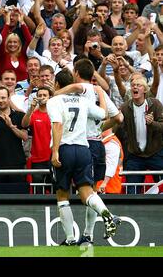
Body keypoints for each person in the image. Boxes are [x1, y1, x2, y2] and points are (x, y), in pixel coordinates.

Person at [47, 82, 121, 246]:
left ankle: (70, 239)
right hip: (83, 149)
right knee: (87, 193)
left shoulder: (54, 101)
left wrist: (55, 151)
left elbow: (57, 124)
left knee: (62, 195)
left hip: (65, 148)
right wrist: (101, 94)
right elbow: (103, 114)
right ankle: (107, 214)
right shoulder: (83, 101)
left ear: (58, 84)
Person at [0, 86, 28, 194]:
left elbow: (25, 137)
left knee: (19, 200)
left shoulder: (20, 116)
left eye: (3, 98)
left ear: (9, 98)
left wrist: (11, 126)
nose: (1, 100)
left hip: (16, 164)